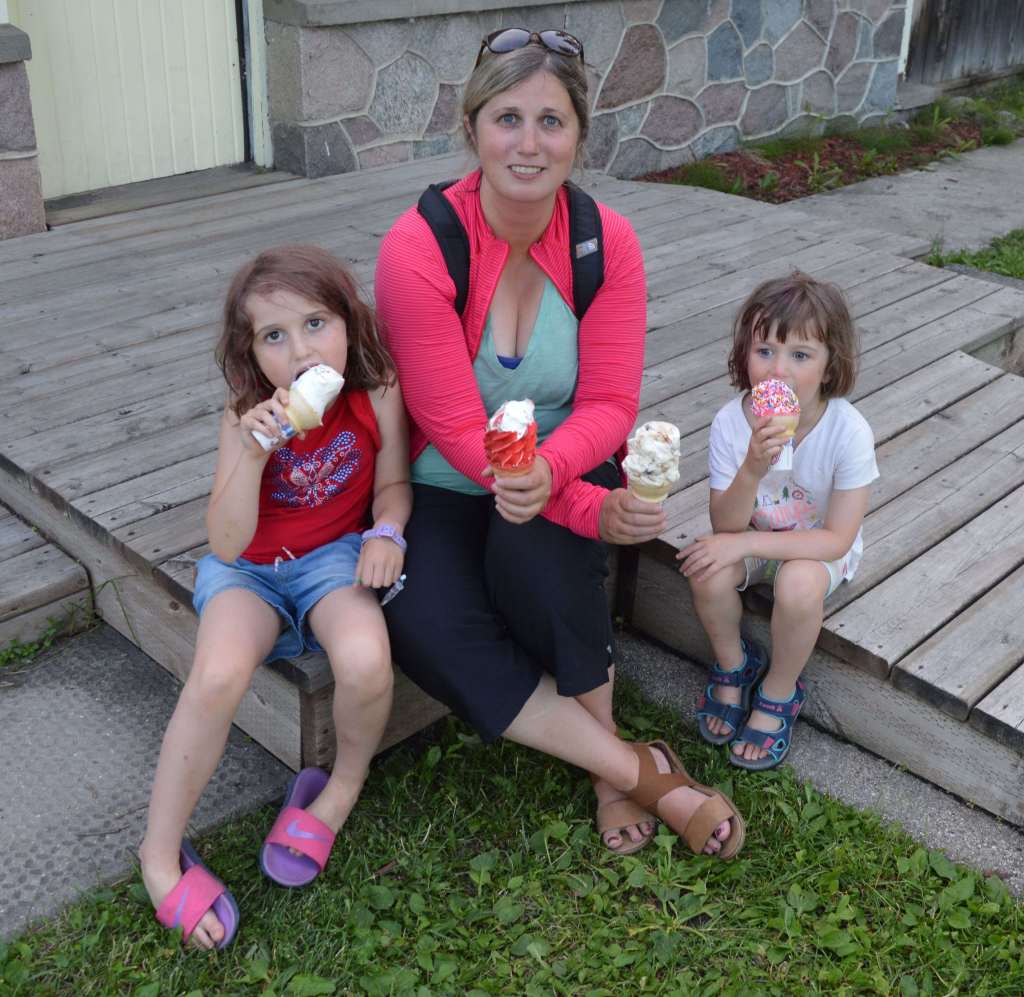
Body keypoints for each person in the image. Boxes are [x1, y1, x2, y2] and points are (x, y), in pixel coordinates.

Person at [374, 28, 747, 861]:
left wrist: (557, 477)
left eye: (552, 121)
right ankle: (633, 768)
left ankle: (610, 769)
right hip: (447, 472)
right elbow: (449, 422)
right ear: (472, 127)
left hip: (566, 454)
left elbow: (610, 401)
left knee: (541, 562)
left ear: (580, 135)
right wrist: (566, 499)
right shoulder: (418, 247)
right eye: (508, 118)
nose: (529, 143)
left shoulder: (605, 241)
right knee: (423, 619)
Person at [139, 245, 410, 949]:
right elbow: (227, 544)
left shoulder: (377, 390)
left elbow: (393, 483)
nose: (301, 351)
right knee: (217, 674)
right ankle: (159, 854)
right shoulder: (244, 418)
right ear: (251, 353)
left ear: (348, 322)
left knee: (366, 659)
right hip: (252, 573)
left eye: (316, 323)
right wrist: (253, 457)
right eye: (274, 336)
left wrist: (387, 531)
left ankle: (340, 787)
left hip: (333, 559)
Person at [678, 272, 878, 770]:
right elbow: (726, 524)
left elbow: (836, 539)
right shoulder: (732, 422)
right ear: (744, 353)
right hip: (751, 535)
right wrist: (752, 467)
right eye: (764, 350)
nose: (778, 370)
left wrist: (745, 545)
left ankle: (780, 690)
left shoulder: (848, 432)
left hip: (816, 549)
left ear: (830, 367)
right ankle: (734, 664)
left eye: (801, 355)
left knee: (797, 583)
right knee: (706, 569)